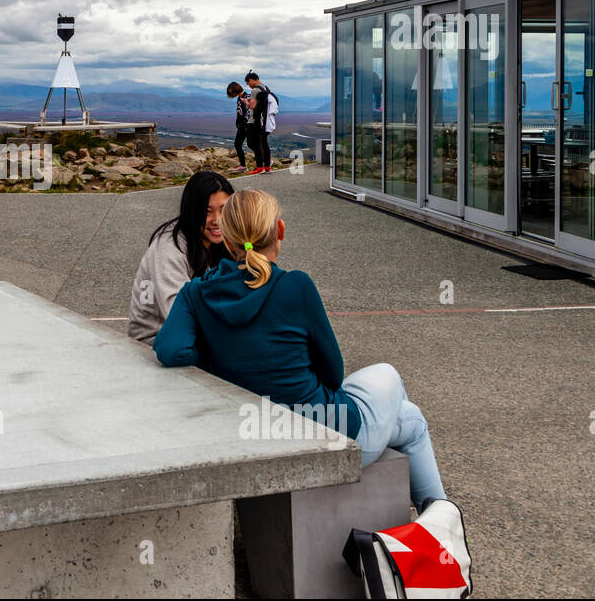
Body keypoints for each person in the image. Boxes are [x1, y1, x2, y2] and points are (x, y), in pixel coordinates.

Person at [153, 189, 447, 510]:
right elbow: (334, 374)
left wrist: (214, 358)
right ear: (280, 231)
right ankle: (441, 522)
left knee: (408, 416)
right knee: (398, 395)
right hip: (321, 431)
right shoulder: (295, 285)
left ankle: (441, 522)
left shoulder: (196, 293)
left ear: (227, 239)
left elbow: (171, 350)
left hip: (251, 430)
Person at [127, 171, 234, 345]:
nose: (217, 220)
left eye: (224, 210)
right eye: (207, 212)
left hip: (195, 334)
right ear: (192, 211)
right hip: (155, 340)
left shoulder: (224, 240)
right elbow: (177, 313)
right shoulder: (169, 247)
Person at [244, 72, 278, 174]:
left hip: (256, 120)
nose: (248, 85)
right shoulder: (266, 88)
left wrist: (246, 102)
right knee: (264, 142)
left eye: (248, 82)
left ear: (252, 79)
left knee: (253, 143)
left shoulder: (255, 90)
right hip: (265, 120)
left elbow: (252, 106)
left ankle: (259, 166)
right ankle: (267, 166)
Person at [225, 82, 253, 173]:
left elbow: (249, 111)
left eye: (231, 92)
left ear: (235, 90)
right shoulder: (240, 98)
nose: (231, 95)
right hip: (243, 125)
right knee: (239, 144)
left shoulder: (246, 97)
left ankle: (244, 166)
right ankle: (243, 165)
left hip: (246, 125)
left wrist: (244, 123)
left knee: (250, 144)